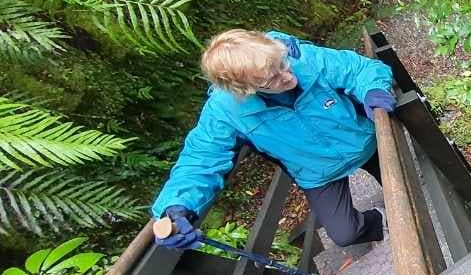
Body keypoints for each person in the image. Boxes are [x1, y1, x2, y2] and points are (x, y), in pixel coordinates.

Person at [151, 29, 397, 250]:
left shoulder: (301, 57)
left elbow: (358, 69)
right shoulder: (225, 111)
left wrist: (372, 90)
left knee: (400, 187)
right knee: (346, 234)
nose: (288, 76)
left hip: (363, 142)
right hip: (317, 171)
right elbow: (200, 159)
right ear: (244, 90)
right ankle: (381, 221)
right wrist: (176, 207)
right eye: (272, 80)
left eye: (282, 63)